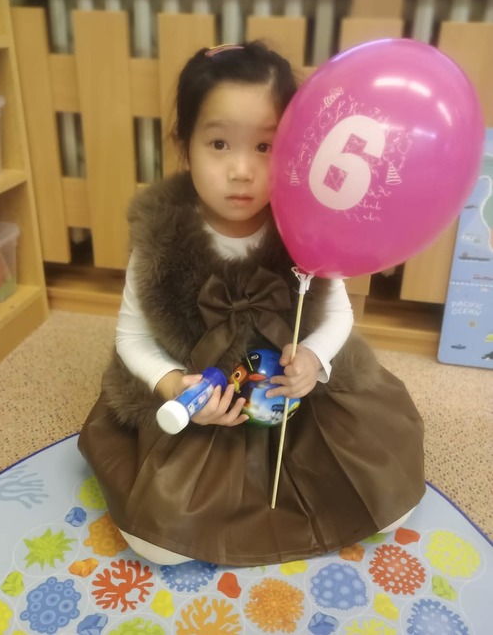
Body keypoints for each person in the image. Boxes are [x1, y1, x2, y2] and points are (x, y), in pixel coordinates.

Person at [78, 41, 425, 567]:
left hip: (292, 394)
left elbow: (337, 315)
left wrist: (313, 359)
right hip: (207, 399)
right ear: (185, 146)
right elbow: (132, 337)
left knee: (388, 498)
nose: (241, 170)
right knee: (158, 543)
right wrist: (173, 386)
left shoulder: (307, 222)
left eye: (265, 146)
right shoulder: (159, 236)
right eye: (219, 144)